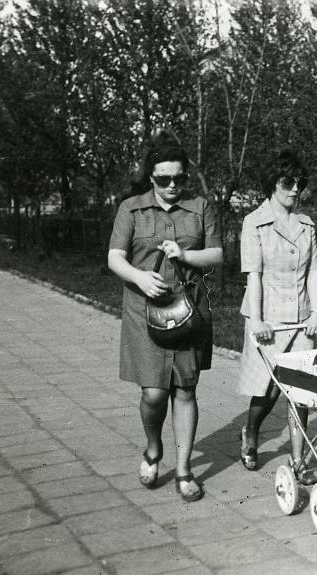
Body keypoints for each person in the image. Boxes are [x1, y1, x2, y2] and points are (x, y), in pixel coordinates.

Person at [107, 132, 223, 503]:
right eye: (163, 179)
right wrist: (140, 277)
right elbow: (114, 257)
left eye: (180, 178)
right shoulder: (131, 208)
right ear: (151, 177)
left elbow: (217, 255)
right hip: (144, 310)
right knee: (154, 393)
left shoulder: (201, 207)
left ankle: (185, 469)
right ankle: (154, 448)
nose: (173, 186)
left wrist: (186, 256)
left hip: (188, 309)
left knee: (186, 389)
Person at [237, 149, 317, 484]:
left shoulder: (307, 223)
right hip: (267, 318)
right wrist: (257, 320)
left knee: (300, 391)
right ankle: (250, 431)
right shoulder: (254, 222)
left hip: (301, 318)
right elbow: (253, 276)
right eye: (288, 182)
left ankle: (299, 461)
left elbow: (313, 271)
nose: (295, 189)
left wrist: (316, 311)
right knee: (268, 390)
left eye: (300, 183)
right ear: (273, 183)